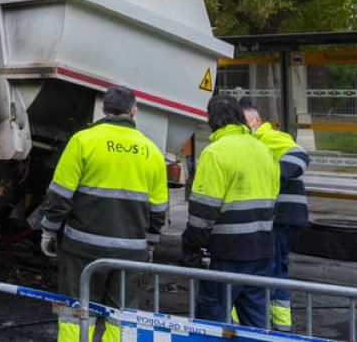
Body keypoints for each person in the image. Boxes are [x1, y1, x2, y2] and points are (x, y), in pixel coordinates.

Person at [39, 85, 168, 342]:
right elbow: (158, 209)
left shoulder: (83, 141)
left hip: (83, 249)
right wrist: (151, 243)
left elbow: (60, 194)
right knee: (120, 316)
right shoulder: (151, 150)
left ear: (103, 108)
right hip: (130, 253)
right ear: (134, 111)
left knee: (75, 312)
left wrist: (49, 229)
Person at [183, 95, 279, 328]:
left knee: (211, 323)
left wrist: (191, 245)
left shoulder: (215, 153)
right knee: (257, 325)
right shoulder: (263, 150)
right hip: (262, 249)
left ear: (212, 121)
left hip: (227, 254)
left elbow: (203, 211)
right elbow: (273, 199)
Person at [241, 96, 309, 332]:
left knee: (268, 269)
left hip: (282, 216)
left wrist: (269, 175)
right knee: (276, 269)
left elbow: (300, 156)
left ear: (257, 121)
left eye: (246, 123)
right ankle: (280, 327)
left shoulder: (268, 136)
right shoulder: (255, 140)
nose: (244, 129)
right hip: (286, 217)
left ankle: (270, 329)